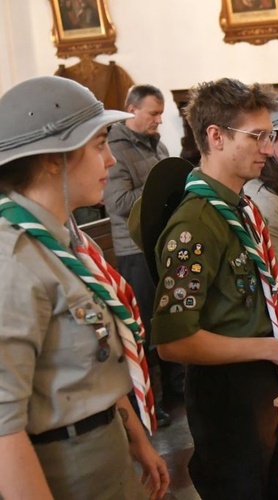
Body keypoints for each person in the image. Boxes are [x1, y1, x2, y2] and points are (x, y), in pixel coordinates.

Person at [147, 78, 278, 499]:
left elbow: (264, 298)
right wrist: (270, 349)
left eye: (270, 136)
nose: (269, 147)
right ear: (216, 136)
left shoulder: (240, 208)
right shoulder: (195, 224)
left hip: (263, 380)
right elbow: (173, 343)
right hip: (227, 395)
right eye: (258, 136)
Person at [0, 76, 169, 498]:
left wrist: (135, 438)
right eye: (99, 145)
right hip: (64, 468)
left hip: (106, 447)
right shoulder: (14, 260)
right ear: (54, 158)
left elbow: (92, 367)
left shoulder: (68, 241)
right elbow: (4, 430)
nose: (110, 161)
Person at [104, 84, 182, 426]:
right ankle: (152, 401)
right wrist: (158, 185)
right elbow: (118, 203)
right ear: (131, 109)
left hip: (162, 244)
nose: (159, 120)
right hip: (135, 250)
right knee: (147, 328)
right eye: (153, 113)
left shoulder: (158, 145)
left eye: (161, 113)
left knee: (170, 319)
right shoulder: (115, 149)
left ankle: (178, 387)